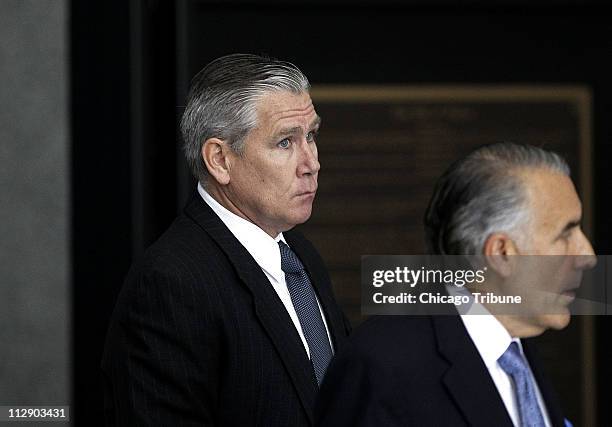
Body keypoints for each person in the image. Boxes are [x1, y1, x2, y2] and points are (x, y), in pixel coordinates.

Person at [102, 54, 350, 426]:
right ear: (219, 159)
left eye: (311, 136)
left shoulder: (299, 255)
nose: (311, 162)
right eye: (285, 142)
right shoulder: (171, 283)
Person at [316, 142, 596, 427]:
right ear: (501, 253)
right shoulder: (384, 365)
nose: (587, 254)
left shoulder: (516, 349)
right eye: (566, 234)